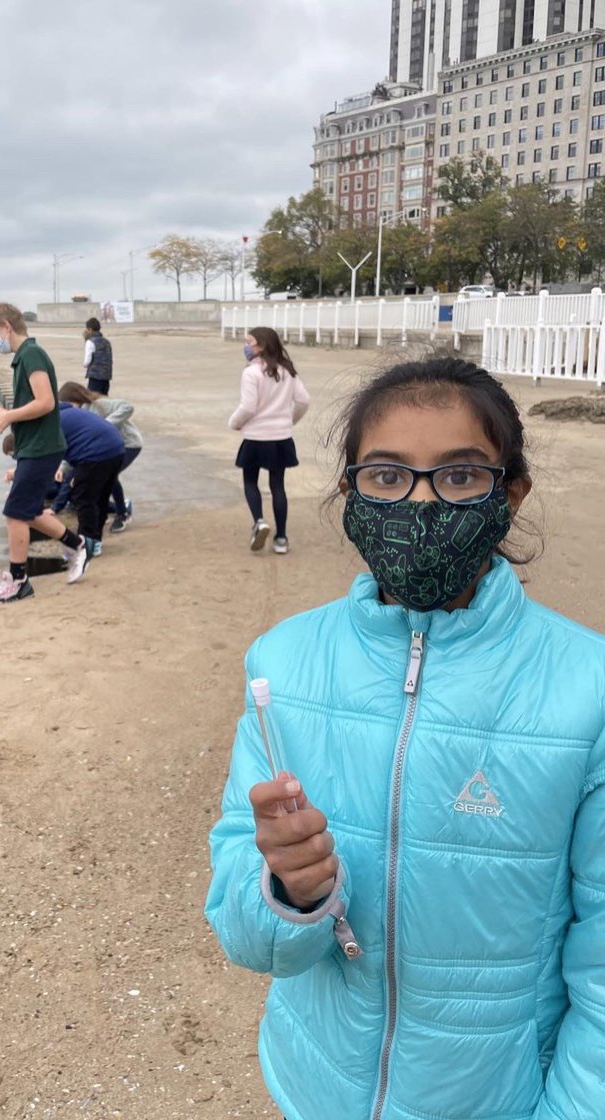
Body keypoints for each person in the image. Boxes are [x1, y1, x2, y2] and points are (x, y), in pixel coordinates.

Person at [205, 356, 605, 1120]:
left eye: (459, 477)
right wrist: (292, 891)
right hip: (314, 1084)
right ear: (350, 492)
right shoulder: (281, 665)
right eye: (387, 476)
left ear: (510, 494)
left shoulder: (589, 688)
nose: (420, 502)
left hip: (498, 1097)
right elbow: (251, 937)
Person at [0, 303, 88, 603]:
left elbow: (46, 402)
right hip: (36, 447)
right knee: (26, 511)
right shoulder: (23, 357)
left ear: (6, 326)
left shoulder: (31, 354)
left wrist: (9, 416)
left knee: (14, 512)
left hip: (43, 447)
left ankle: (18, 579)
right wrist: (6, 413)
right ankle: (77, 545)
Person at [229, 326, 310, 555]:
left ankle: (259, 521)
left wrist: (234, 423)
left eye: (250, 342)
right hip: (280, 438)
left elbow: (247, 406)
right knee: (278, 487)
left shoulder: (251, 373)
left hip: (255, 437)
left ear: (262, 346)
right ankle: (282, 538)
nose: (246, 346)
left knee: (250, 481)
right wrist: (288, 421)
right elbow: (303, 400)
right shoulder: (287, 370)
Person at [57, 383, 140, 534]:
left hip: (128, 443)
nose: (68, 408)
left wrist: (105, 425)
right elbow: (73, 444)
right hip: (104, 448)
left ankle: (122, 514)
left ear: (76, 399)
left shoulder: (98, 406)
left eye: (69, 404)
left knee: (110, 477)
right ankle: (111, 510)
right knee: (97, 481)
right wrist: (63, 467)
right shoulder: (77, 415)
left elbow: (127, 407)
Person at [57, 400, 125, 558]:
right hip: (117, 448)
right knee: (101, 497)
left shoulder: (53, 424)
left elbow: (49, 458)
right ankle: (95, 542)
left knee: (83, 498)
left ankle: (84, 544)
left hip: (95, 454)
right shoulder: (72, 413)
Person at [82, 317, 113, 395]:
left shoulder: (90, 342)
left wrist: (85, 365)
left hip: (95, 376)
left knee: (92, 399)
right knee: (104, 398)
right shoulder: (107, 342)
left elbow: (87, 361)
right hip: (106, 376)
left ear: (90, 329)